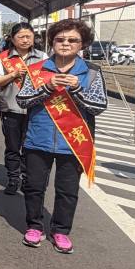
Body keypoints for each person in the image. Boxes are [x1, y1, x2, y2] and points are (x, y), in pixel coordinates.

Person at [17, 19, 107, 254]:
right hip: (38, 138)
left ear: (82, 44)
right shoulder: (37, 70)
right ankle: (34, 226)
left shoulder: (92, 72)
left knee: (67, 191)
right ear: (51, 42)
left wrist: (77, 89)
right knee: (34, 186)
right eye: (60, 39)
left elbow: (98, 106)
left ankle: (61, 231)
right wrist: (47, 88)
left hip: (74, 142)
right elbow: (22, 101)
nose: (65, 44)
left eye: (72, 40)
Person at [0, 23, 47, 195]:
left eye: (28, 36)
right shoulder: (2, 58)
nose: (25, 40)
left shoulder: (42, 57)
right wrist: (13, 75)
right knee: (12, 147)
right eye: (21, 37)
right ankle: (13, 178)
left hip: (35, 110)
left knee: (30, 147)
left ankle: (26, 178)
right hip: (11, 109)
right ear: (12, 39)